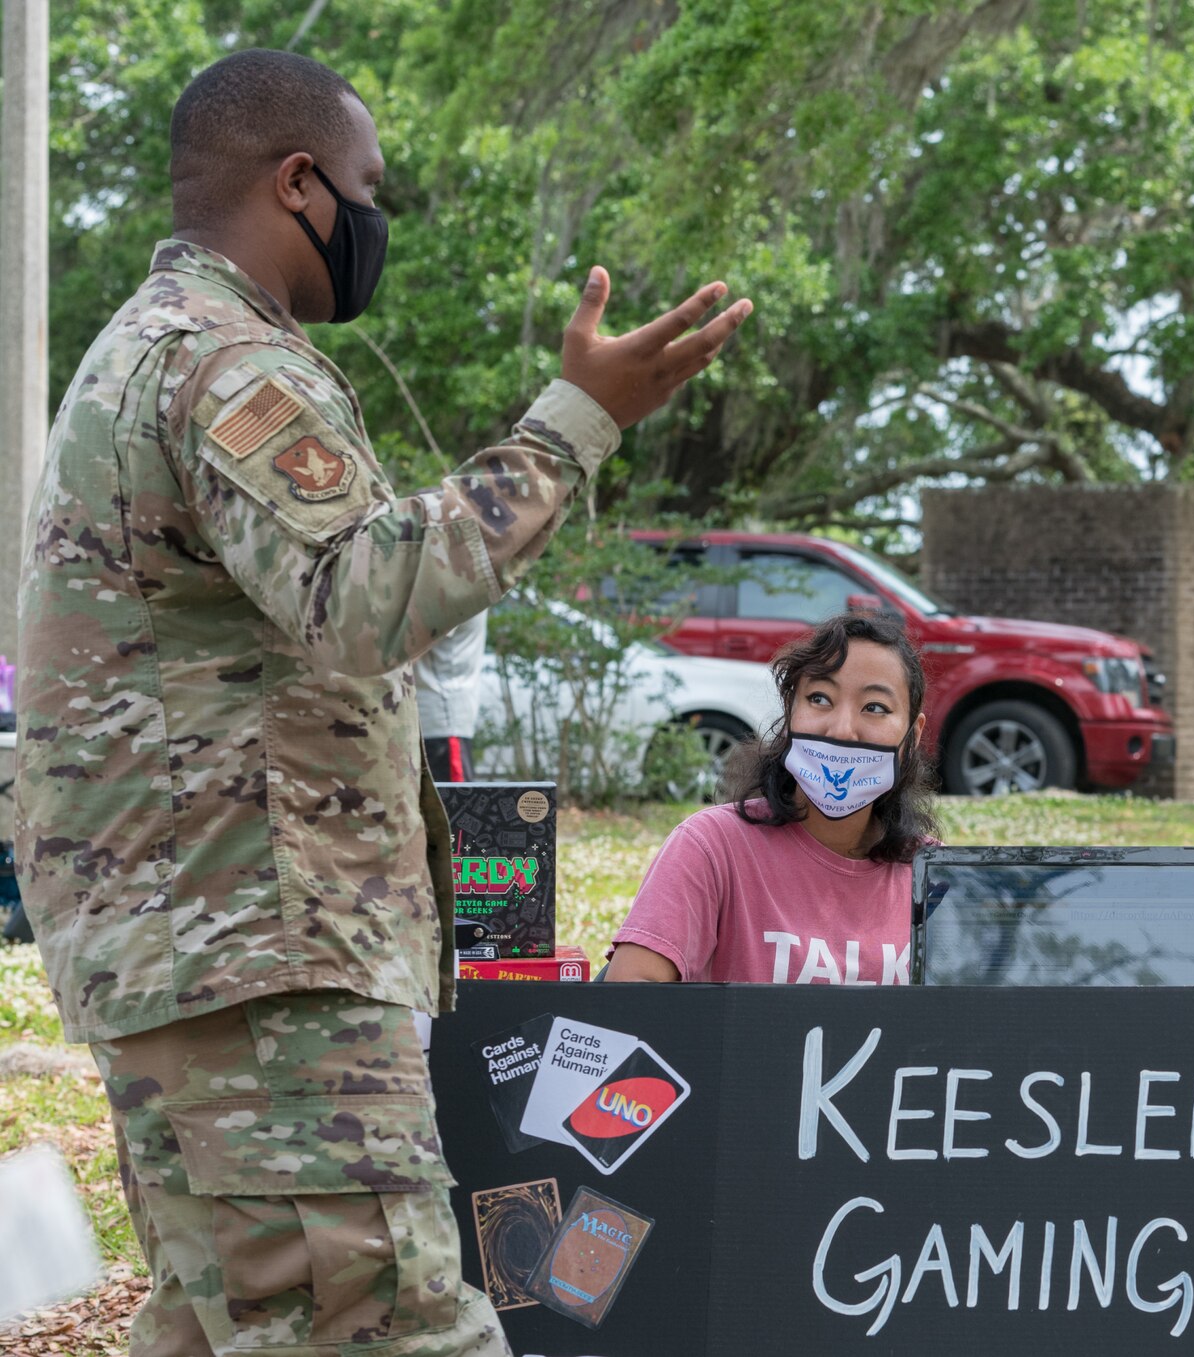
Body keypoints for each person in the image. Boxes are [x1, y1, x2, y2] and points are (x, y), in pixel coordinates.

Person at [15, 48, 750, 1357]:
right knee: (392, 1328)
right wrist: (578, 421)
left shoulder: (148, 353)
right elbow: (361, 594)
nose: (377, 220)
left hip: (192, 955)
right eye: (369, 188)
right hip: (261, 961)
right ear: (299, 185)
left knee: (225, 1327)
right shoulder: (229, 360)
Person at [604, 610, 936, 984]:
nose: (842, 729)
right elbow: (629, 996)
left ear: (913, 734)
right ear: (791, 710)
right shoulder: (712, 847)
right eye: (820, 698)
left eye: (875, 707)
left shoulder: (935, 875)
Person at [417, 611, 488, 782]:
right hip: (433, 721)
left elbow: (401, 649)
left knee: (450, 806)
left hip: (440, 721)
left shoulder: (453, 587)